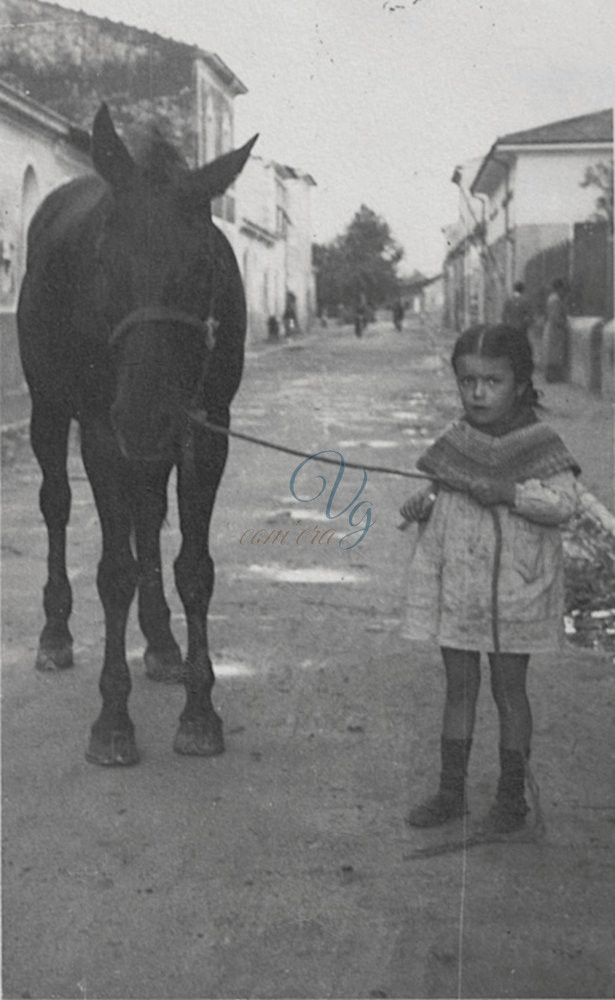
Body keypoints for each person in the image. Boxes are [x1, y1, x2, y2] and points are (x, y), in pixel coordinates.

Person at [399, 324, 580, 834]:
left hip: (514, 590)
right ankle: (450, 792)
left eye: (492, 382)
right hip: (459, 584)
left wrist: (512, 492)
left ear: (520, 383)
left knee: (508, 688)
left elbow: (564, 504)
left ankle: (509, 798)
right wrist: (425, 503)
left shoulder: (540, 443)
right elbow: (443, 490)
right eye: (467, 381)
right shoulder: (456, 440)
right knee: (459, 686)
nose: (478, 393)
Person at [543, 278, 569, 382]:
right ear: (559, 288)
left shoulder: (552, 299)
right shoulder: (555, 300)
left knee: (552, 352)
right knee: (554, 353)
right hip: (555, 329)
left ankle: (552, 376)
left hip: (552, 327)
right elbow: (556, 316)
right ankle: (552, 377)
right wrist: (563, 323)